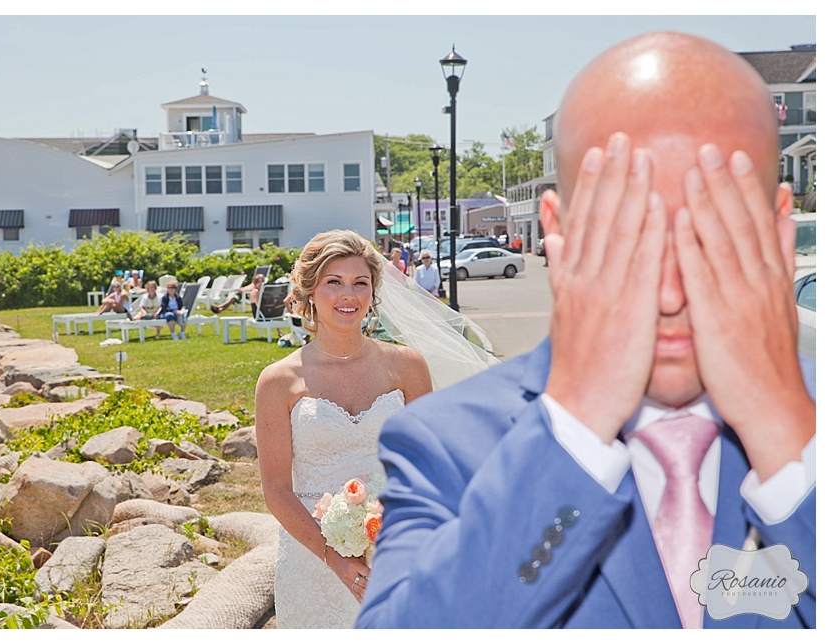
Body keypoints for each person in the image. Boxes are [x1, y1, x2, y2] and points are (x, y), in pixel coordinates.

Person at [357, 32, 815, 629]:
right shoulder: (446, 445)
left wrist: (788, 439)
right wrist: (577, 420)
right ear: (560, 234)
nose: (672, 295)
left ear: (779, 234)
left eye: (712, 235)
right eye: (628, 238)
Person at [255, 229, 433, 629]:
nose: (348, 295)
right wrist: (333, 556)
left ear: (373, 292)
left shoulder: (408, 367)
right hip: (311, 560)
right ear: (310, 292)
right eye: (333, 282)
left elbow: (427, 468)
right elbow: (276, 490)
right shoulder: (278, 381)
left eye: (360, 283)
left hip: (396, 550)